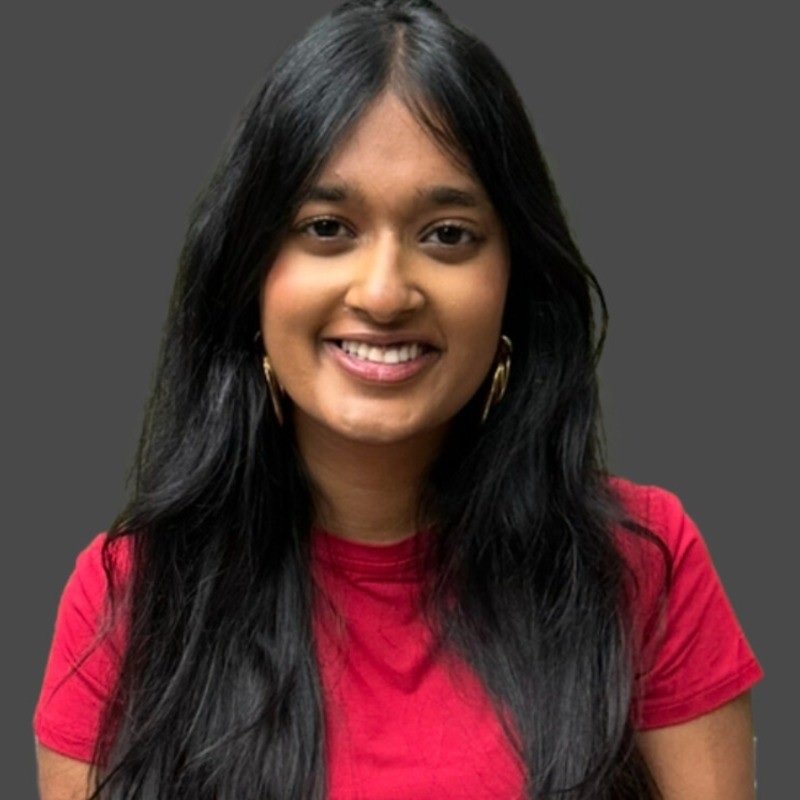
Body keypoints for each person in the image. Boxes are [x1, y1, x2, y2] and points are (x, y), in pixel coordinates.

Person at [33, 1, 763, 798]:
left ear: (514, 284)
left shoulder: (641, 564)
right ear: (249, 272)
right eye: (326, 228)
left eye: (447, 234)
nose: (383, 293)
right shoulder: (133, 598)